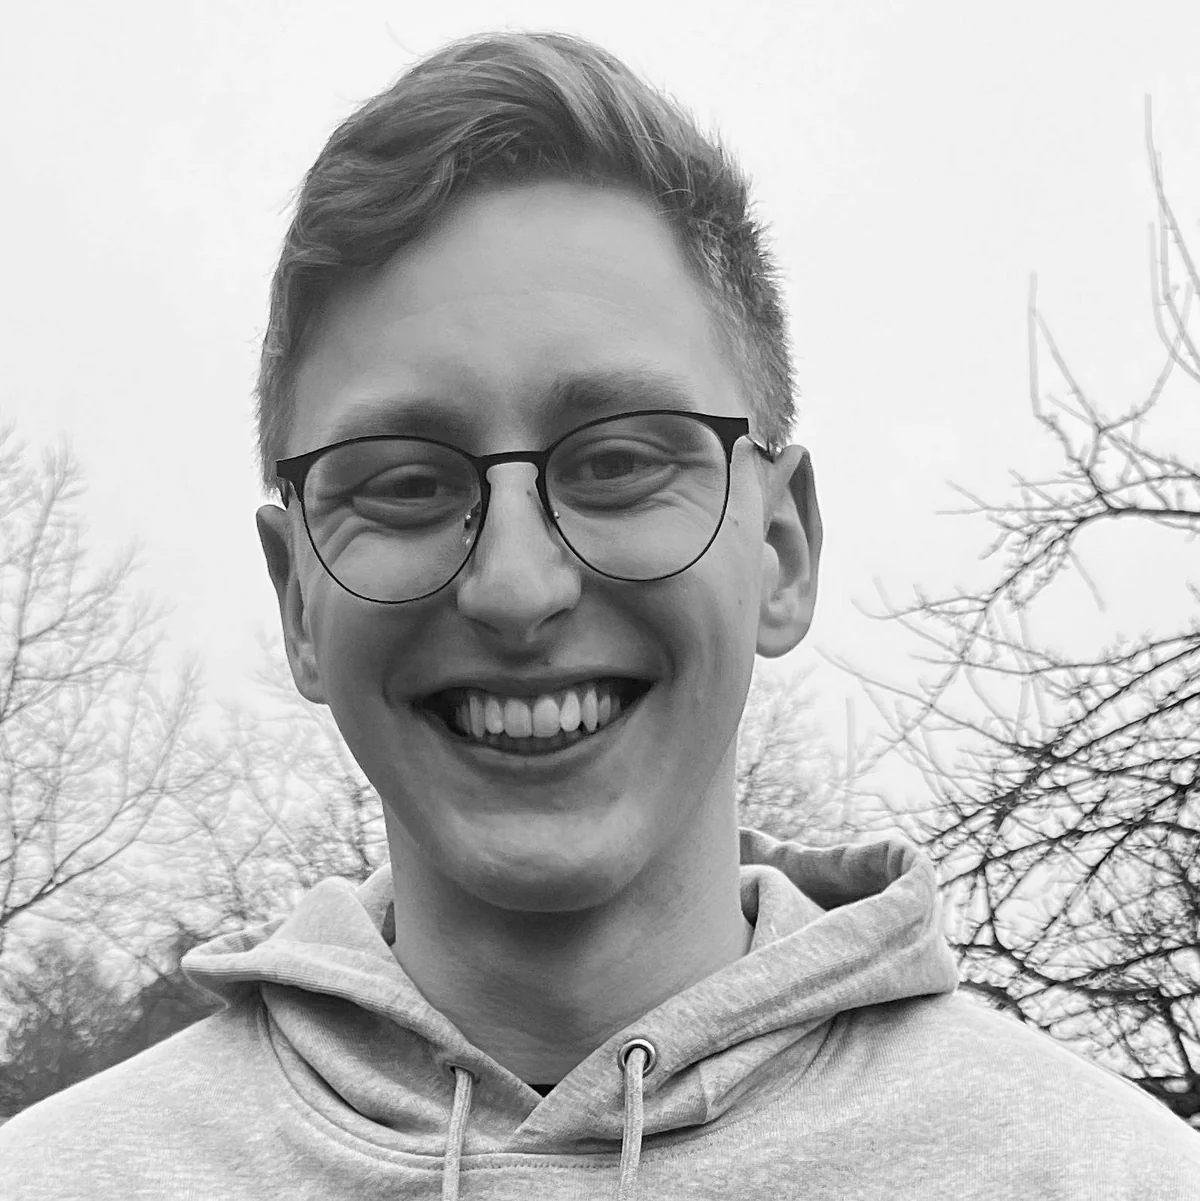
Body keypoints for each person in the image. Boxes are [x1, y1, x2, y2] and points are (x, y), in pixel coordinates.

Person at [2, 29, 1198, 1201]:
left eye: (620, 462)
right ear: (297, 600)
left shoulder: (1103, 1178)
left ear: (781, 549)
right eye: (405, 482)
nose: (516, 588)